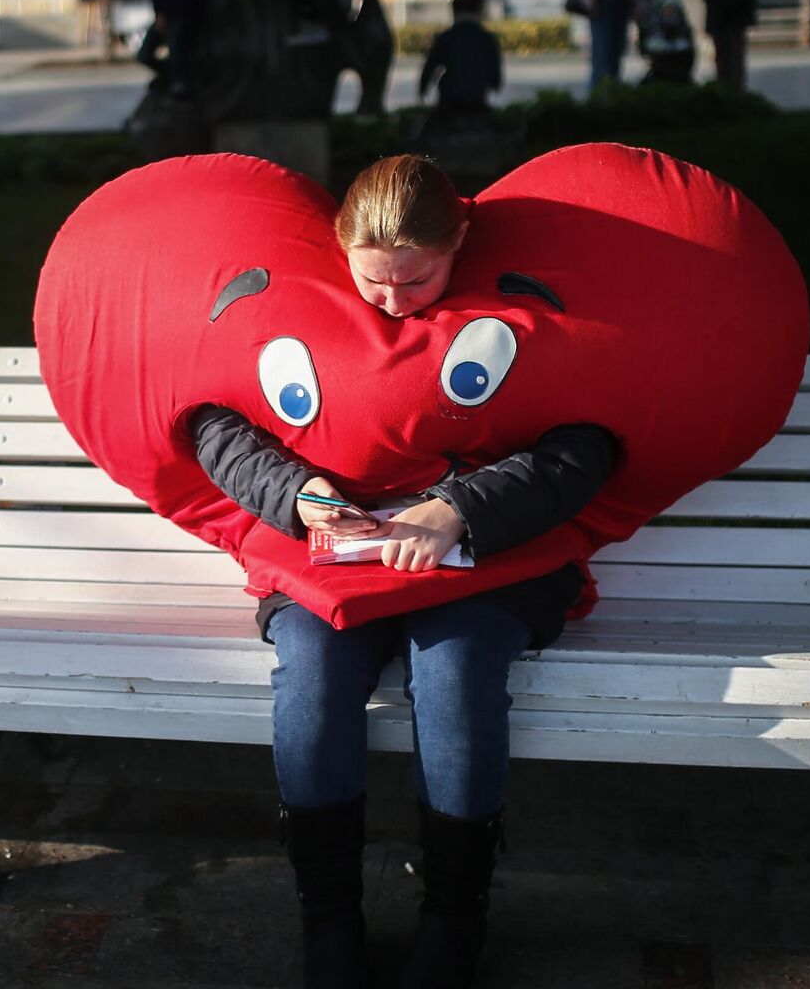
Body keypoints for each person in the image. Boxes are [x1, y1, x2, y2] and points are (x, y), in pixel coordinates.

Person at [188, 155, 618, 989]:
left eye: (416, 280)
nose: (390, 300)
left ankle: (456, 915)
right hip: (331, 565)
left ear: (460, 240)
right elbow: (216, 426)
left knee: (453, 673)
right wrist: (296, 491)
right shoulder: (300, 309)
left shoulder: (524, 315)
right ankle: (329, 916)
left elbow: (586, 449)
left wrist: (461, 507)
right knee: (310, 678)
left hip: (487, 562)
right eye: (370, 280)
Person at [419, 0, 503, 119]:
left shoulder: (447, 37)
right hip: (477, 101)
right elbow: (496, 79)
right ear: (477, 11)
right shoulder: (487, 39)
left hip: (449, 104)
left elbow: (430, 67)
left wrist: (423, 89)